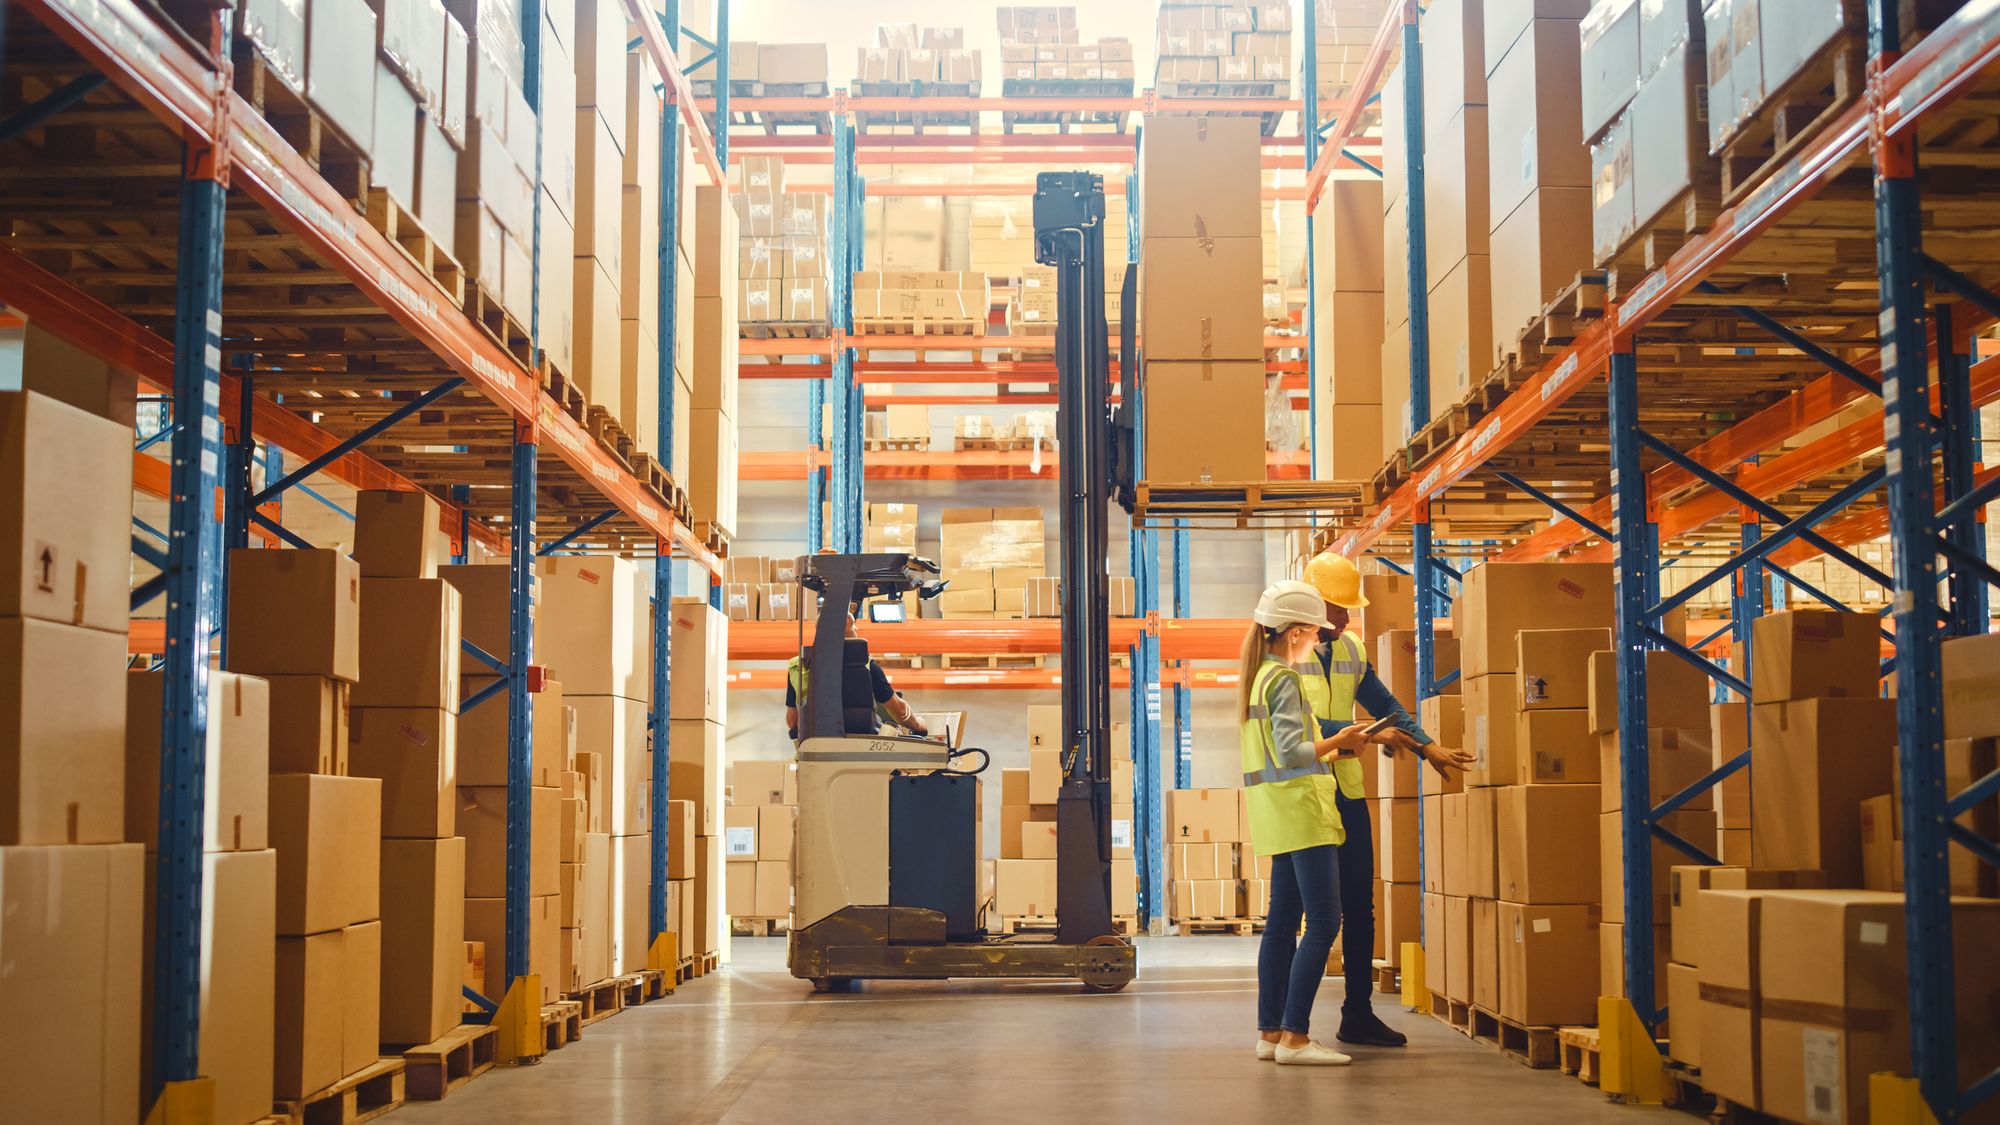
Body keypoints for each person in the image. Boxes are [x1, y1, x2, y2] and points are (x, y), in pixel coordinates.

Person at [1299, 551, 1476, 1047]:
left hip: (1346, 793)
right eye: (1337, 608)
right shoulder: (1289, 653)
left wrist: (1427, 746)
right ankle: (1289, 1027)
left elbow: (1387, 707)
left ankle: (1357, 1013)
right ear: (1313, 605)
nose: (1346, 617)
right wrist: (1370, 736)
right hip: (1303, 795)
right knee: (1308, 915)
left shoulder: (1350, 649)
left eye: (1347, 608)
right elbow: (1305, 728)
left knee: (1361, 907)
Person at [1241, 580, 1404, 1066]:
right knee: (1325, 920)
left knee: (1282, 923)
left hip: (1275, 811)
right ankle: (1295, 1037)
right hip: (1305, 810)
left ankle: (1270, 1033)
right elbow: (1293, 750)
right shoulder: (1285, 680)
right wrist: (1344, 740)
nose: (1320, 640)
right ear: (1293, 633)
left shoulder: (1259, 677)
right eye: (1314, 632)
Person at [785, 610, 929, 741]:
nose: (856, 629)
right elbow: (898, 709)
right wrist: (918, 724)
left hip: (814, 749)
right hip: (863, 746)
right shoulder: (866, 666)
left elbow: (792, 721)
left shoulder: (797, 667)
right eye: (853, 625)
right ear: (842, 631)